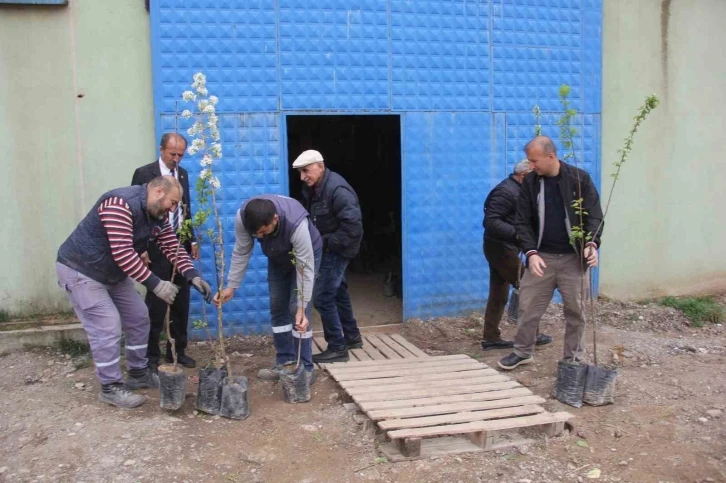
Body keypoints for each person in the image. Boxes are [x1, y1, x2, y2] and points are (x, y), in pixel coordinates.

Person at [56, 176, 213, 408]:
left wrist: (192, 275)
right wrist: (157, 285)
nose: (173, 208)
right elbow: (123, 252)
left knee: (139, 316)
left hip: (112, 273)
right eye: (172, 202)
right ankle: (110, 387)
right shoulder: (119, 204)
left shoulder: (157, 215)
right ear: (159, 191)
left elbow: (171, 244)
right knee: (107, 326)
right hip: (83, 270)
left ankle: (138, 373)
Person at [498, 136, 603, 370]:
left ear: (551, 156)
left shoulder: (579, 179)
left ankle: (573, 359)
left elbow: (595, 216)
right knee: (527, 307)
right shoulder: (531, 183)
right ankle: (523, 351)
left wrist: (591, 244)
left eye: (534, 160)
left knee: (576, 311)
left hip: (573, 260)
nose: (530, 165)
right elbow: (522, 221)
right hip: (541, 257)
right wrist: (531, 252)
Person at [213, 195, 322, 385]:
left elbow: (305, 269)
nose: (260, 237)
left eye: (264, 232)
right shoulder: (244, 218)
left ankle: (305, 367)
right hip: (278, 256)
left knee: (295, 309)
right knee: (277, 306)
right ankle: (284, 361)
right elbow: (241, 250)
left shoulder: (296, 225)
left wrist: (302, 307)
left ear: (275, 219)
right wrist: (232, 286)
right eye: (257, 234)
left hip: (306, 256)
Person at [132, 133, 199, 371]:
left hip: (179, 245)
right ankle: (150, 356)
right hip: (155, 248)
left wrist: (192, 240)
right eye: (173, 154)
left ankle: (177, 352)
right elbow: (137, 216)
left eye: (181, 154)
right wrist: (140, 248)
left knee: (182, 301)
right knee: (156, 303)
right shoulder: (144, 174)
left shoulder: (183, 174)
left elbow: (185, 208)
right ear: (161, 149)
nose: (177, 159)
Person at [293, 150, 364, 363]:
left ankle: (337, 348)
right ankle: (352, 337)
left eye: (306, 171)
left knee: (323, 297)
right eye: (299, 172)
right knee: (338, 291)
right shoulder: (314, 188)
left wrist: (322, 242)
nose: (302, 177)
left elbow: (353, 229)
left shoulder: (338, 190)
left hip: (337, 249)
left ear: (320, 166)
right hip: (329, 247)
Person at [481, 160, 552, 350]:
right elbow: (491, 221)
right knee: (528, 285)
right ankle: (531, 335)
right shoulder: (505, 192)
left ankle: (490, 338)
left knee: (498, 293)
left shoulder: (520, 189)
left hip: (502, 248)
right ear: (524, 175)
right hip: (501, 249)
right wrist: (518, 233)